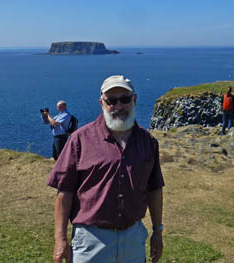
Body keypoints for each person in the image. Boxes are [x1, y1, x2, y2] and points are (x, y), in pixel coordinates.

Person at [47, 75, 165, 263]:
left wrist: (157, 231)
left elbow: (154, 188)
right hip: (91, 240)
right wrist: (60, 239)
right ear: (102, 103)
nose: (118, 106)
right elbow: (64, 193)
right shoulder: (80, 140)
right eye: (111, 101)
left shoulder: (148, 142)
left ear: (134, 100)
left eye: (124, 99)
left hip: (133, 239)